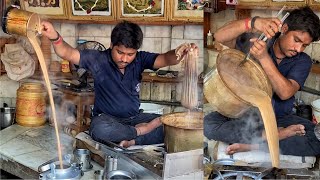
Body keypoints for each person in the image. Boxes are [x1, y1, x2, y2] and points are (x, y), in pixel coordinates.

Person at [41, 20, 198, 148]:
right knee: (99, 130)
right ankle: (139, 133)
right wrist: (55, 36)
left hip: (134, 117)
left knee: (170, 126)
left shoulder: (140, 59)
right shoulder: (98, 59)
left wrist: (180, 52)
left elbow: (165, 59)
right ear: (111, 45)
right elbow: (67, 52)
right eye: (120, 52)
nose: (124, 59)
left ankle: (132, 140)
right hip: (107, 120)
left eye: (130, 54)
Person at [204, 7, 320, 156]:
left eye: (305, 45)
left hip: (280, 119)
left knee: (316, 138)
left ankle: (252, 144)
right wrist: (253, 22)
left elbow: (285, 93)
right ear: (284, 29)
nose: (298, 49)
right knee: (208, 124)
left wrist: (264, 58)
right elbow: (218, 37)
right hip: (245, 117)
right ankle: (272, 137)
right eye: (296, 40)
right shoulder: (258, 40)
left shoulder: (303, 61)